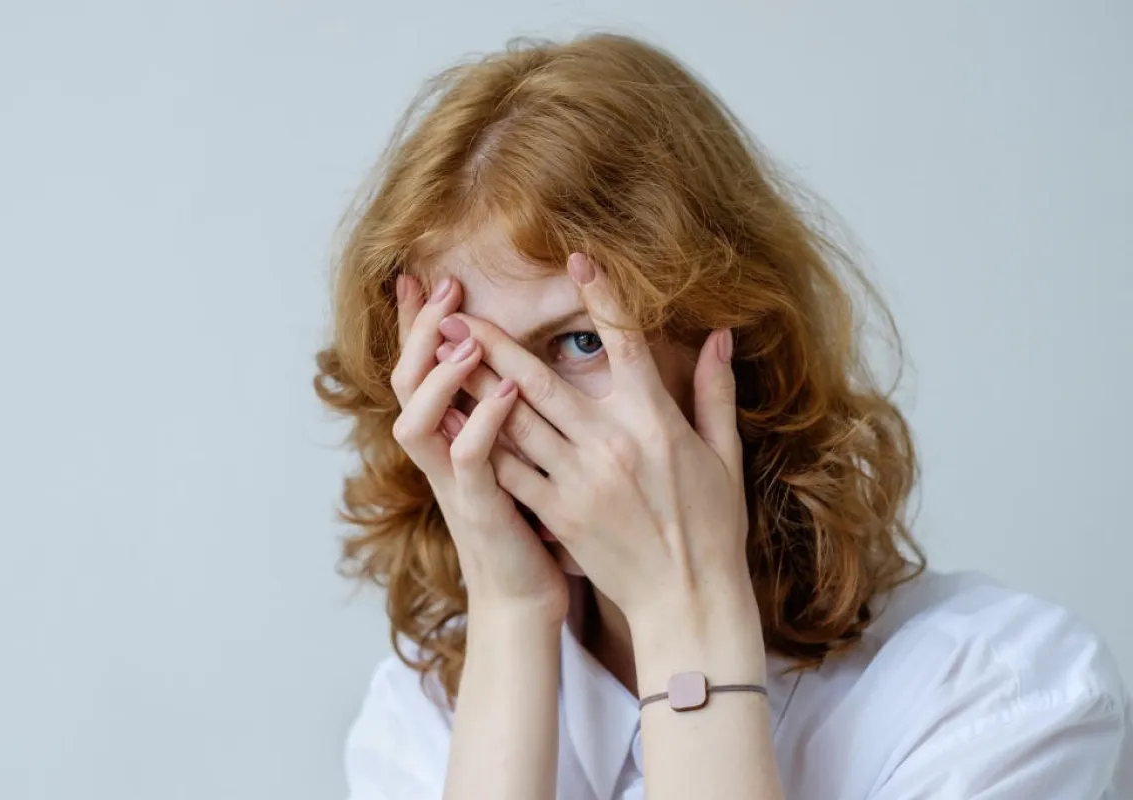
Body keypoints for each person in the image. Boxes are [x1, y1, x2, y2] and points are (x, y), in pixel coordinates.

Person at [315, 32, 1130, 799]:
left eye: (579, 342)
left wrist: (682, 614)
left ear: (729, 341)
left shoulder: (1002, 700)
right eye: (466, 361)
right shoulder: (420, 722)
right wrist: (511, 616)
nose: (515, 419)